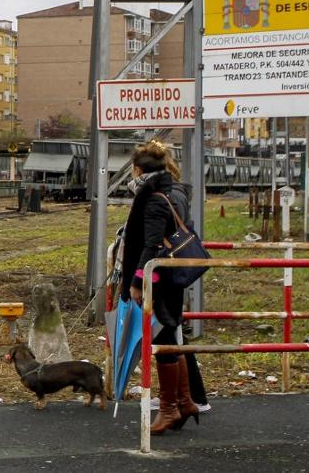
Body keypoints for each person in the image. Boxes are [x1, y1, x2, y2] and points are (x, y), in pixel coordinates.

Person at [118, 140, 201, 434]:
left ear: (138, 169)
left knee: (163, 341)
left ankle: (169, 409)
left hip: (158, 280)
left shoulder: (152, 198)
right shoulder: (175, 190)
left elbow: (150, 245)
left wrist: (138, 282)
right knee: (170, 340)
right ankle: (184, 401)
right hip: (171, 276)